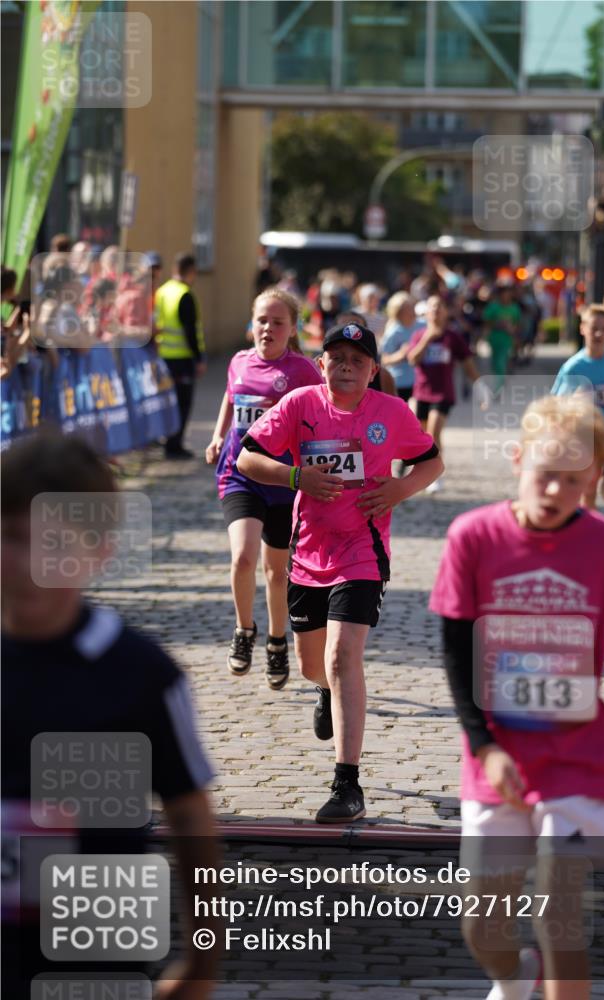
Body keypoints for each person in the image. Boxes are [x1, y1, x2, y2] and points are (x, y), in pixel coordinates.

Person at [430, 394, 604, 1000]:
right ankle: (513, 979)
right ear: (517, 460)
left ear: (592, 479)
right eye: (545, 473)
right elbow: (456, 653)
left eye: (572, 478)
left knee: (560, 919)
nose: (555, 489)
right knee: (484, 924)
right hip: (498, 756)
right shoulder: (473, 536)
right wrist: (484, 747)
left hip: (576, 755)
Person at [1, 432, 220, 999]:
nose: (24, 563)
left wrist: (201, 959)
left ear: (97, 551)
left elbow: (191, 818)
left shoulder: (140, 674)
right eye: (11, 537)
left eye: (51, 544)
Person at [236, 321, 443, 822]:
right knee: (315, 666)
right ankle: (325, 690)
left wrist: (398, 489)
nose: (346, 366)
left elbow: (432, 463)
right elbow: (246, 459)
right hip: (307, 553)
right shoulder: (300, 405)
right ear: (321, 363)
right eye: (337, 358)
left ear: (373, 370)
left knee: (343, 652)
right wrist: (296, 476)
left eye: (358, 360)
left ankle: (347, 783)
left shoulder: (391, 413)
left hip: (362, 552)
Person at [205, 288, 322, 690]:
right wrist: (219, 435)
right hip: (239, 474)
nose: (268, 328)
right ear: (250, 324)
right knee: (242, 557)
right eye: (262, 321)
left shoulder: (304, 371)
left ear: (292, 329)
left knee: (277, 572)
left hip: (283, 482)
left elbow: (320, 414)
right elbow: (229, 395)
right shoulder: (239, 361)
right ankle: (243, 629)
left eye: (277, 322)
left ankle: (276, 640)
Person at [552, 304, 604, 508]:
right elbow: (556, 404)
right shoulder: (573, 367)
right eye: (594, 328)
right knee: (588, 492)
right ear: (583, 328)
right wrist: (575, 402)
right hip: (586, 438)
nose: (599, 333)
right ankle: (590, 533)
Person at [407, 294, 481, 492]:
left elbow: (467, 364)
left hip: (443, 394)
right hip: (421, 392)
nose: (435, 311)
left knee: (434, 432)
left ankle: (436, 476)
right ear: (427, 312)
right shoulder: (418, 335)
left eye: (439, 307)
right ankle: (424, 471)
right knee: (422, 436)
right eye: (432, 307)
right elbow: (412, 359)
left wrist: (481, 386)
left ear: (446, 312)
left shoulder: (452, 337)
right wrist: (427, 338)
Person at [155, 252, 206, 459]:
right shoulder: (185, 294)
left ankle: (168, 441)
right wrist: (199, 358)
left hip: (162, 356)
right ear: (191, 271)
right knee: (182, 403)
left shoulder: (162, 291)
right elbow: (190, 330)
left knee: (168, 402)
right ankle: (174, 445)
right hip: (182, 358)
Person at [483, 284, 521, 394]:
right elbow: (487, 321)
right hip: (494, 338)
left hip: (507, 340)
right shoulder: (493, 307)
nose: (506, 296)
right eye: (504, 294)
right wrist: (498, 325)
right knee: (495, 363)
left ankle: (498, 387)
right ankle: (499, 380)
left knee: (501, 363)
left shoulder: (514, 308)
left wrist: (515, 336)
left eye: (508, 294)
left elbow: (517, 324)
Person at [380, 292, 416, 403]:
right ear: (398, 312)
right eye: (407, 308)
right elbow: (384, 360)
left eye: (411, 307)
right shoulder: (393, 332)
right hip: (399, 382)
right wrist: (401, 354)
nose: (411, 311)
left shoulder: (421, 325)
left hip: (419, 381)